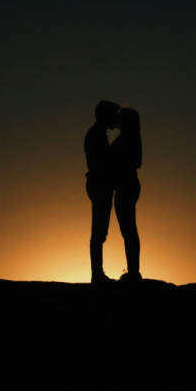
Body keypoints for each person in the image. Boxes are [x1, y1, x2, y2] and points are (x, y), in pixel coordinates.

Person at [84, 100, 120, 284]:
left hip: (98, 184)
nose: (116, 119)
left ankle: (97, 274)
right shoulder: (96, 135)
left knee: (99, 232)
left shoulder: (97, 134)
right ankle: (97, 275)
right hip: (99, 185)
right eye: (113, 115)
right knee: (99, 233)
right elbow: (103, 163)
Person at [110, 107, 142, 283]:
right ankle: (133, 271)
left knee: (128, 230)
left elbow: (136, 162)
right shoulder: (130, 138)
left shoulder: (129, 139)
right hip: (127, 184)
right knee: (128, 230)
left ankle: (133, 272)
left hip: (126, 185)